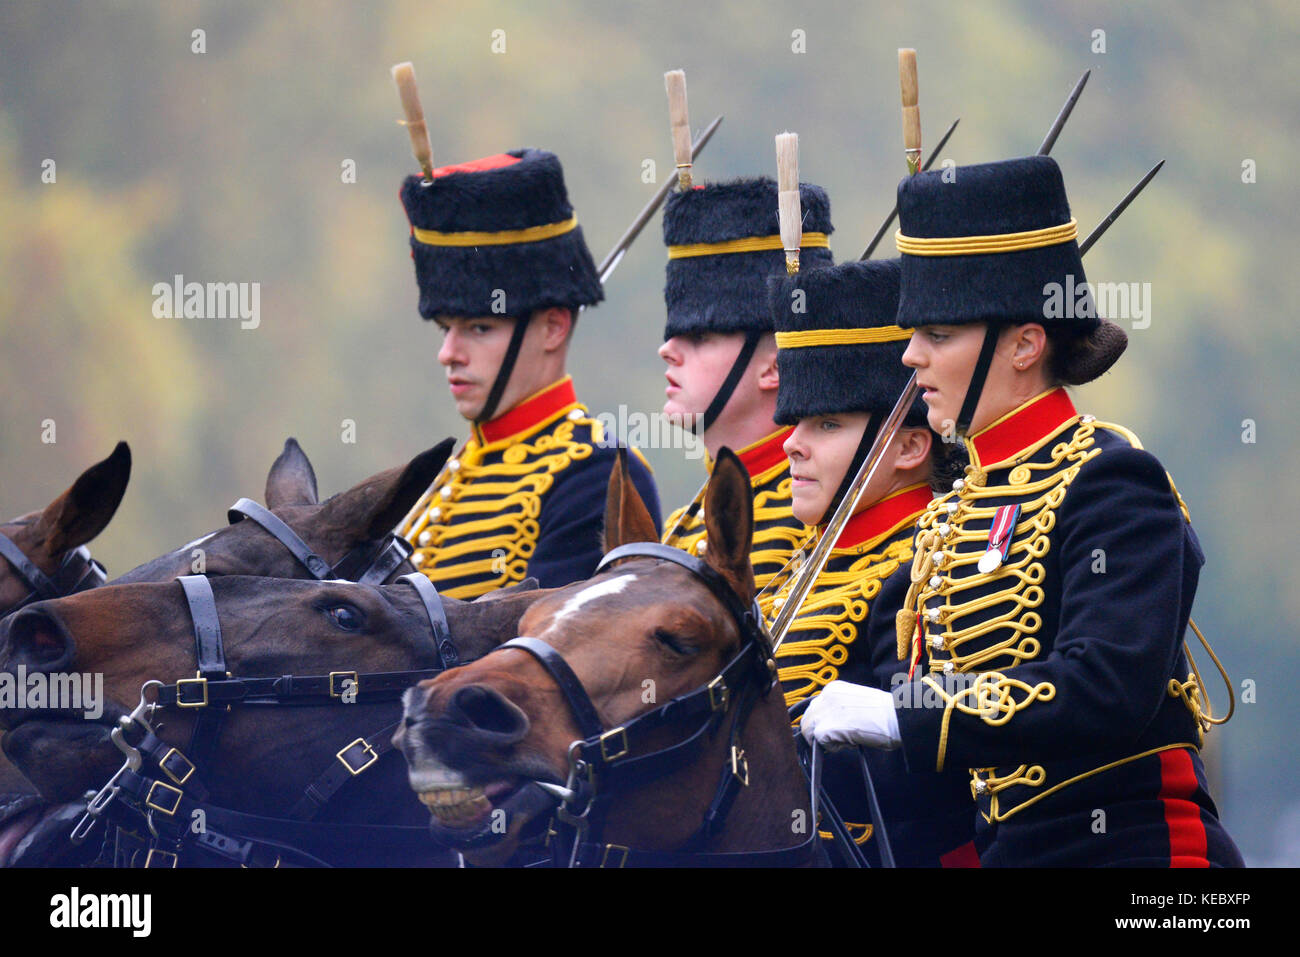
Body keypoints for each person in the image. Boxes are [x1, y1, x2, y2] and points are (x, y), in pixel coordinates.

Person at [801, 155, 1242, 867]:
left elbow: (1106, 684)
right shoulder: (945, 526)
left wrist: (903, 716)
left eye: (938, 335)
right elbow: (919, 783)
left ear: (1026, 343)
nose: (910, 357)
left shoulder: (1112, 481)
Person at [769, 257, 977, 866]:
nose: (792, 444)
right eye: (796, 421)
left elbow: (917, 785)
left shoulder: (924, 565)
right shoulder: (801, 570)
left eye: (827, 423)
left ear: (910, 446)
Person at [395, 149, 660, 599]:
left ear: (553, 328)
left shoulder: (597, 474)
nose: (448, 353)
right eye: (446, 329)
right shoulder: (448, 477)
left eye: (479, 328)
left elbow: (544, 657)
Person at [658, 176, 833, 612]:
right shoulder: (679, 528)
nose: (667, 350)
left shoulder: (821, 514)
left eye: (699, 337)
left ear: (775, 364)